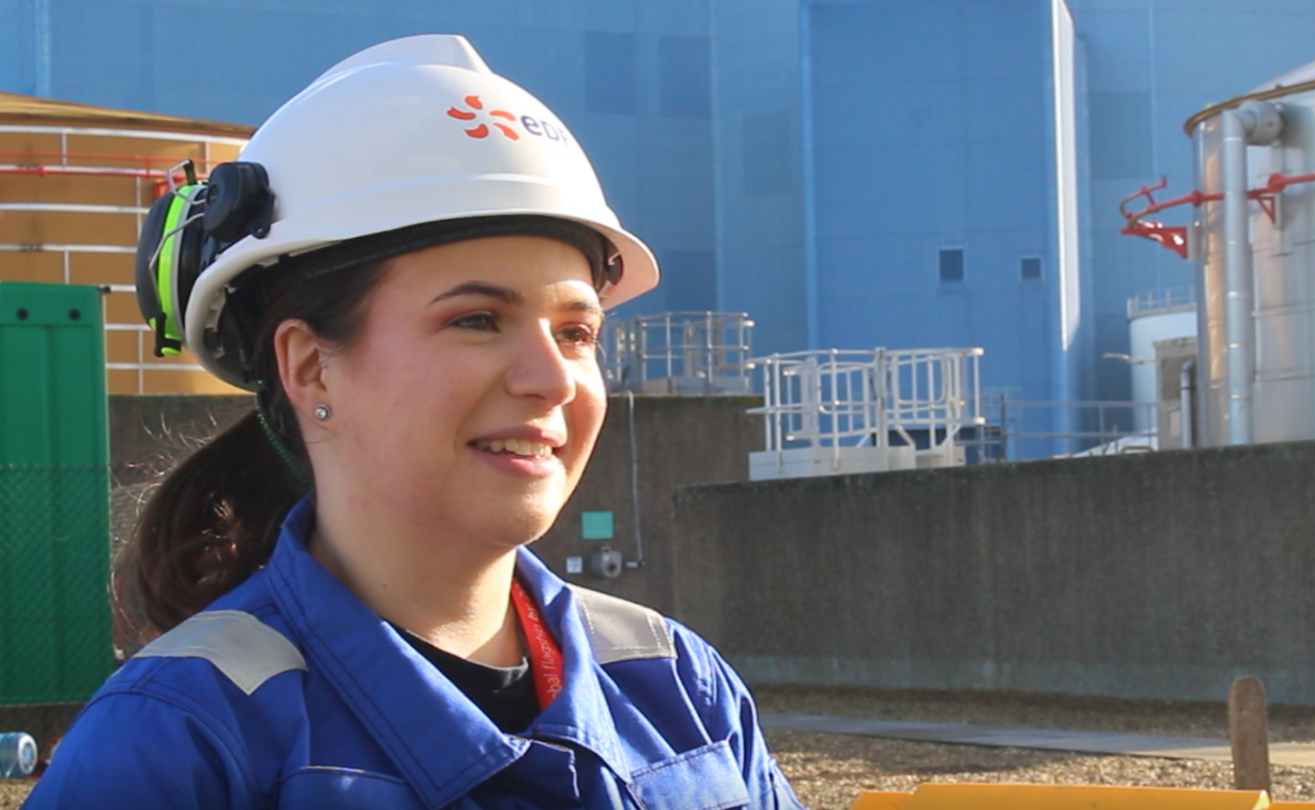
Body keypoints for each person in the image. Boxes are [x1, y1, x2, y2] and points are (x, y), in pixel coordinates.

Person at [23, 34, 804, 810]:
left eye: (577, 333)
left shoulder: (676, 689)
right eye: (477, 319)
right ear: (309, 366)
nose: (549, 381)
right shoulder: (182, 739)